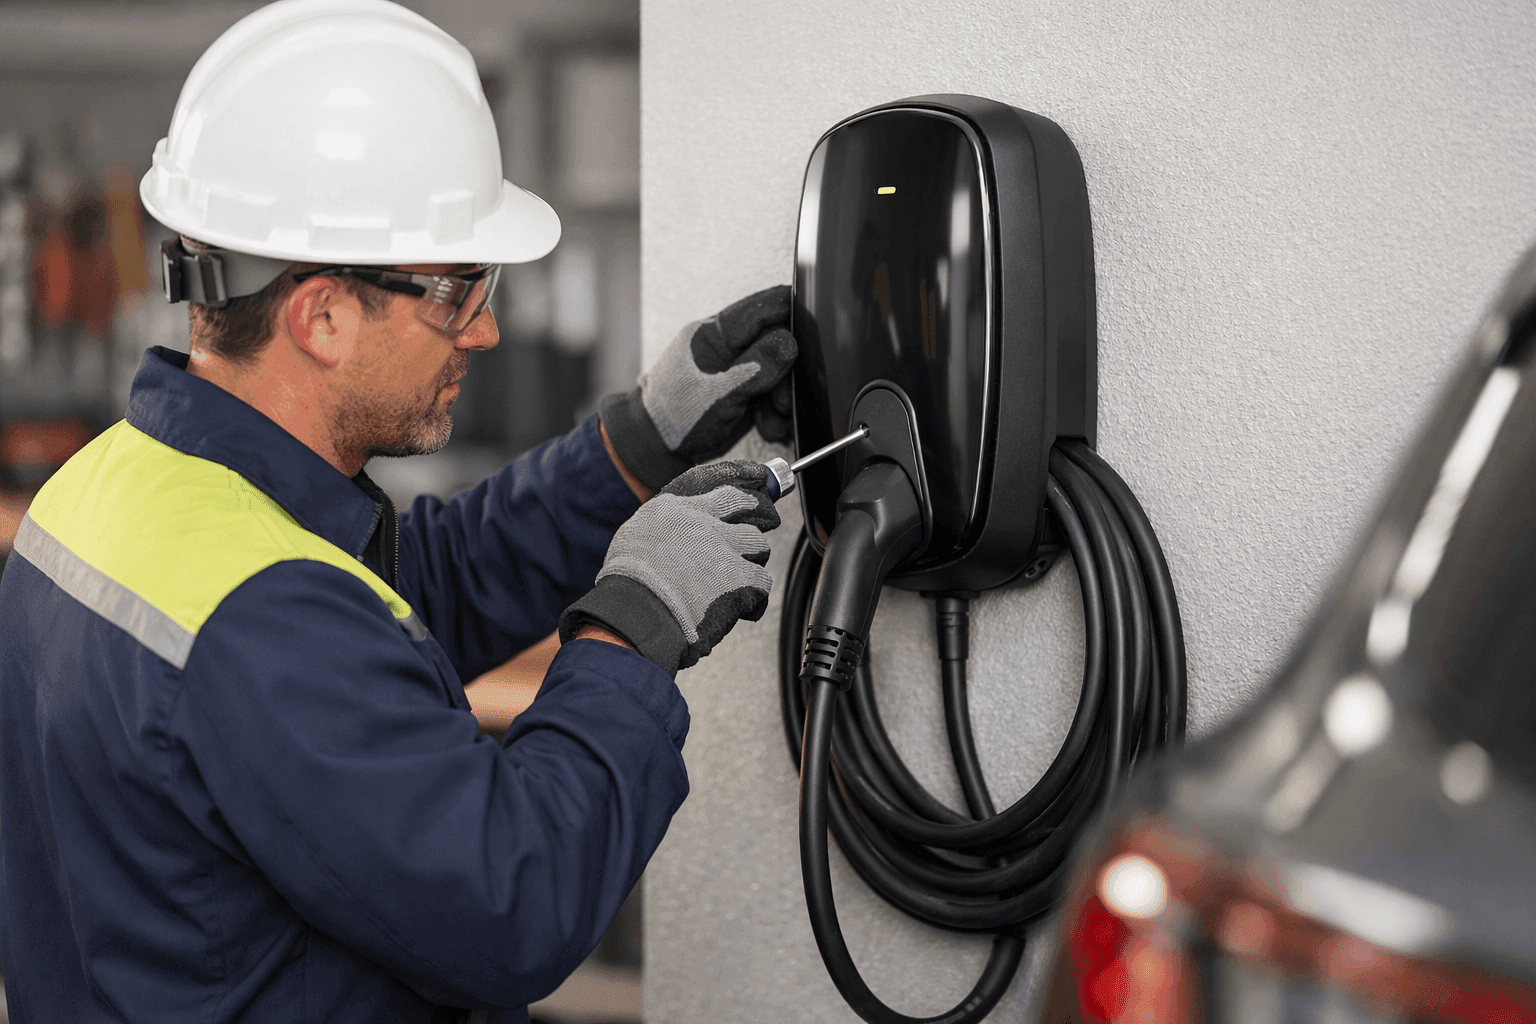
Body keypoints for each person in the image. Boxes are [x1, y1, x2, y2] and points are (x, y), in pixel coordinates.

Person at [0, 2, 795, 1021]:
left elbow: (397, 602)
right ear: (321, 314)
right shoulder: (261, 621)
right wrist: (630, 631)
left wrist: (632, 446)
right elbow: (514, 897)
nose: (487, 328)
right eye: (456, 290)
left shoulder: (116, 488)